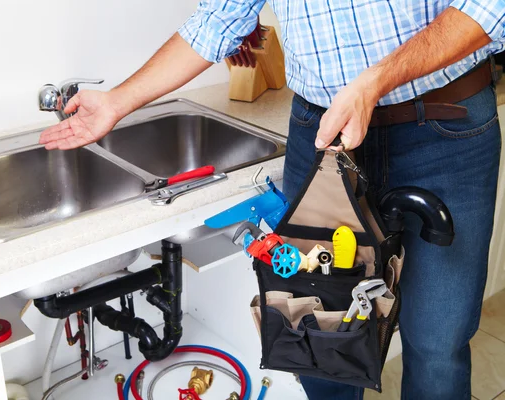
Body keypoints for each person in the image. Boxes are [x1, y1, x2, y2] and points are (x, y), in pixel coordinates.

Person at [39, 2, 505, 399]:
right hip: (322, 134)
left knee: (437, 343)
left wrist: (378, 79)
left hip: (442, 128)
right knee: (316, 336)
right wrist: (119, 101)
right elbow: (219, 19)